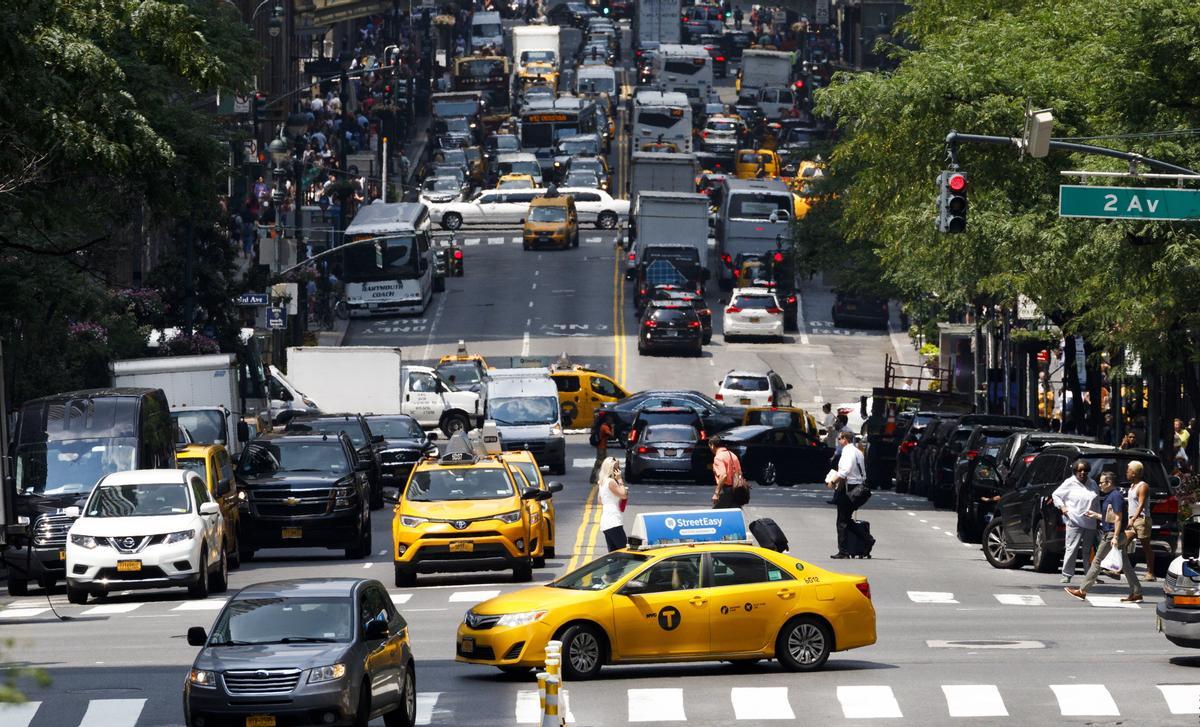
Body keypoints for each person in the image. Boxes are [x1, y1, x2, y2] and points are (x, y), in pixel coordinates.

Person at [1065, 472, 1142, 603]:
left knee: (1097, 562)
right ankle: (1136, 592)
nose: (1099, 485)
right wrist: (1096, 515)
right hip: (1115, 533)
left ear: (1109, 483)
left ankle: (1082, 591)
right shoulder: (1112, 495)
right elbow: (1111, 518)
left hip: (1112, 535)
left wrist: (1115, 537)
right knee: (1126, 565)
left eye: (1101, 482)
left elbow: (1118, 519)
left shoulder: (1115, 496)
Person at [1051, 459, 1100, 583]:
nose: (1082, 473)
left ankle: (1090, 574)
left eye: (1085, 470)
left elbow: (1097, 502)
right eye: (1079, 470)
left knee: (1088, 550)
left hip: (1090, 521)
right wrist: (1063, 507)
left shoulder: (1093, 483)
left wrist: (1099, 518)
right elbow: (1056, 495)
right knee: (1072, 547)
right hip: (1074, 519)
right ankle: (1067, 574)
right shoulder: (1069, 482)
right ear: (1075, 471)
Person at [828, 431, 872, 558]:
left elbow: (845, 471)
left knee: (842, 520)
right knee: (846, 519)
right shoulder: (857, 451)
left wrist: (832, 481)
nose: (838, 440)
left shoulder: (848, 452)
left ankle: (844, 551)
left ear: (845, 439)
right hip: (861, 487)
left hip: (851, 488)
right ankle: (866, 540)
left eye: (839, 438)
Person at [1125, 460, 1156, 582]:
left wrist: (1133, 519)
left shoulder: (1143, 486)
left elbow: (1141, 504)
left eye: (1128, 471)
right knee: (1122, 544)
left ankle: (1150, 572)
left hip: (1141, 520)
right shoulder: (1132, 486)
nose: (1126, 473)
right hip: (1132, 520)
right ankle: (1116, 569)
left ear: (1134, 473)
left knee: (1146, 547)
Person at [597, 457, 628, 552]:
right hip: (614, 520)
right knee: (623, 551)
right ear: (611, 469)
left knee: (613, 554)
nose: (618, 471)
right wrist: (620, 480)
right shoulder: (611, 482)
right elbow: (623, 495)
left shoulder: (602, 482)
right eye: (616, 468)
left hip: (606, 521)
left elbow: (600, 500)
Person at [710, 439, 748, 508]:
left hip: (727, 490)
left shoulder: (718, 458)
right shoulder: (733, 455)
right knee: (734, 512)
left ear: (712, 446)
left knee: (716, 515)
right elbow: (740, 473)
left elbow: (723, 475)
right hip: (737, 490)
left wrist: (716, 493)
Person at [591, 414, 614, 483]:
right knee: (599, 463)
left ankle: (604, 477)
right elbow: (611, 435)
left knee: (604, 463)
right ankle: (593, 477)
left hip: (602, 447)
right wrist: (612, 428)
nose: (611, 422)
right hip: (601, 448)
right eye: (610, 421)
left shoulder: (603, 426)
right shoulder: (604, 427)